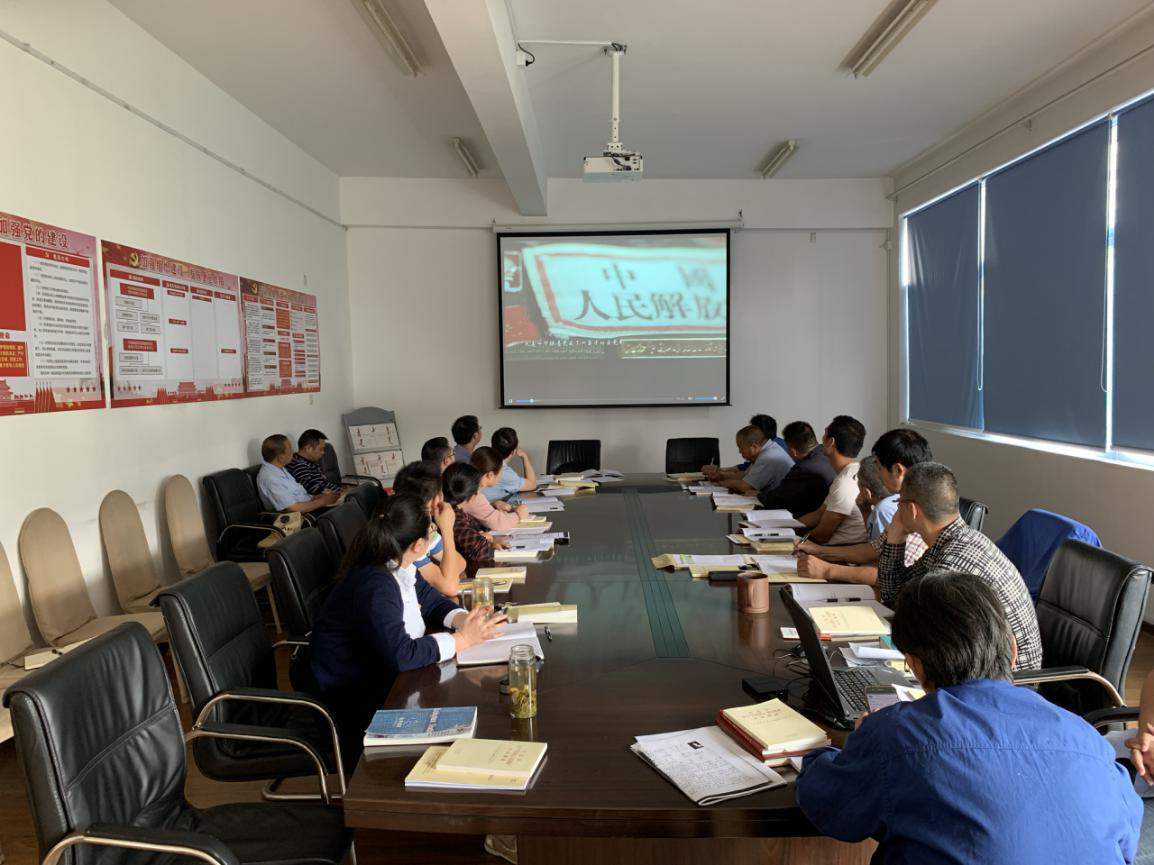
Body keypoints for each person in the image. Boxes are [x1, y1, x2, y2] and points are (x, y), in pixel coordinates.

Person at [796, 571, 1141, 863]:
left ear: (914, 666)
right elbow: (1126, 842)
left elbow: (827, 803)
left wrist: (846, 745)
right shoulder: (1086, 738)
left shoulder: (897, 735)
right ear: (1013, 652)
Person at [309, 493, 507, 767]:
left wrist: (463, 620)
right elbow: (401, 654)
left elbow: (432, 601)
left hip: (387, 679)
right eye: (432, 532)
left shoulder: (398, 563)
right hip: (355, 697)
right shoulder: (376, 584)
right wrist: (462, 640)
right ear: (418, 545)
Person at [877, 461, 1042, 670]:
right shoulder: (957, 541)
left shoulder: (951, 565)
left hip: (1010, 679)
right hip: (986, 668)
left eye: (899, 502)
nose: (897, 509)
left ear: (911, 510)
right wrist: (895, 536)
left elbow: (899, 607)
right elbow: (894, 594)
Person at [796, 427, 933, 584]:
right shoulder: (901, 504)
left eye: (879, 468)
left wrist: (826, 570)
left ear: (897, 470)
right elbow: (875, 548)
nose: (877, 476)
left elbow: (893, 577)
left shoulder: (916, 510)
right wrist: (820, 551)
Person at [391, 461, 466, 597]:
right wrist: (447, 529)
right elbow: (450, 587)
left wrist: (445, 573)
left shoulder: (424, 527)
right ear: (436, 501)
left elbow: (461, 563)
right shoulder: (408, 535)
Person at [795, 416, 868, 545]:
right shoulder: (853, 471)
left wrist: (795, 539)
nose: (822, 439)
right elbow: (818, 515)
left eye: (825, 434)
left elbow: (822, 535)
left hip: (838, 551)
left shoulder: (845, 483)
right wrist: (786, 526)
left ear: (831, 442)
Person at [754, 421, 835, 517]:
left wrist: (758, 496)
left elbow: (779, 499)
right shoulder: (826, 454)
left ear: (793, 451)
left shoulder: (803, 469)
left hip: (805, 518)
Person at [256, 434, 340, 513]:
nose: (292, 452)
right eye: (290, 449)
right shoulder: (270, 478)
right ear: (281, 457)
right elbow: (294, 508)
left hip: (308, 506)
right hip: (301, 517)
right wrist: (323, 501)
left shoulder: (280, 468)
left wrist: (319, 497)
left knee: (344, 503)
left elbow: (300, 496)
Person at [442, 462, 499, 575]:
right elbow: (481, 551)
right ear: (472, 494)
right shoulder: (452, 516)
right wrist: (485, 541)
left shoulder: (454, 510)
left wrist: (480, 536)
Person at [712, 425, 794, 496]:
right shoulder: (768, 449)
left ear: (754, 447)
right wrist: (721, 476)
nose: (740, 451)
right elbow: (745, 475)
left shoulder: (768, 457)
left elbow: (745, 487)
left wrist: (722, 483)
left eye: (740, 447)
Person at [466, 447, 529, 531]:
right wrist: (519, 515)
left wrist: (492, 505)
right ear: (490, 475)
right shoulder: (473, 496)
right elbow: (499, 524)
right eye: (500, 471)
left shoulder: (469, 488)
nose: (500, 476)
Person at [486, 427, 537, 504]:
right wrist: (525, 457)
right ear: (513, 451)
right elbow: (532, 484)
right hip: (491, 508)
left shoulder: (483, 459)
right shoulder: (505, 472)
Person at [285, 429, 342, 495]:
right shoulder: (299, 465)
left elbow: (323, 483)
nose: (323, 452)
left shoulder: (309, 461)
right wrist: (341, 493)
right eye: (320, 449)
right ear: (308, 448)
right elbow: (316, 490)